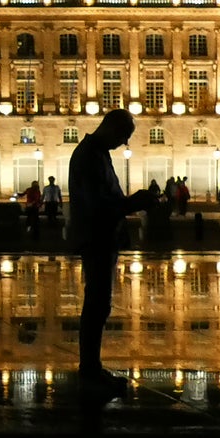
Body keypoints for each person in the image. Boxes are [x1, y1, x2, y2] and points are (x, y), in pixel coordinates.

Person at [69, 109, 152, 401]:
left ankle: (93, 367)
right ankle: (89, 370)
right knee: (96, 305)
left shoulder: (96, 153)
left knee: (99, 304)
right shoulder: (89, 156)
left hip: (101, 237)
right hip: (96, 237)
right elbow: (96, 205)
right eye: (124, 136)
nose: (124, 143)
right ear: (111, 128)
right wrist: (132, 203)